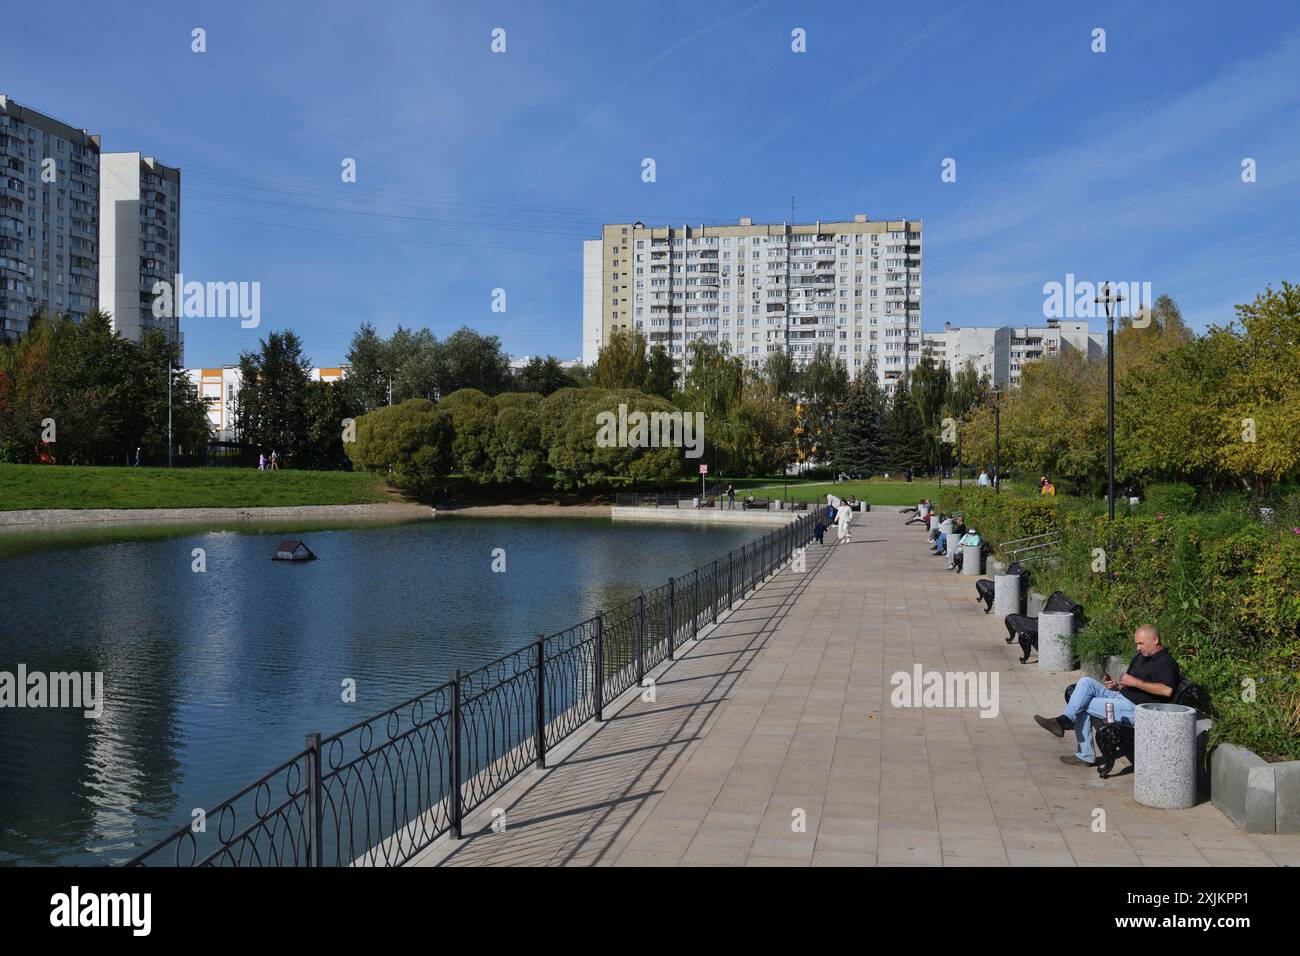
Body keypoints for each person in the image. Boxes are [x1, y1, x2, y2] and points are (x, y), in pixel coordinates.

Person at [1034, 624, 1180, 766]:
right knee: (1085, 682)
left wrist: (1135, 682)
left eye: (1141, 643)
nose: (1138, 647)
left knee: (1083, 705)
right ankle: (1064, 721)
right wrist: (1118, 686)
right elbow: (1139, 685)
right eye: (1136, 644)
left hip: (1136, 710)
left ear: (1154, 640)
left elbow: (1166, 690)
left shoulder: (1165, 662)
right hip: (1121, 698)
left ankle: (1082, 751)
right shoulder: (1145, 657)